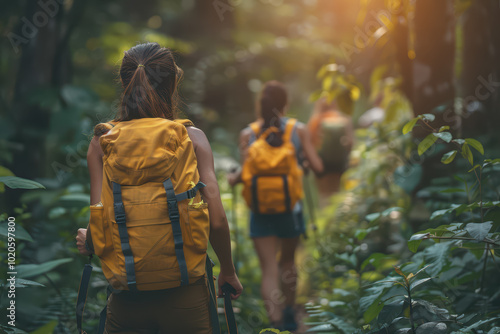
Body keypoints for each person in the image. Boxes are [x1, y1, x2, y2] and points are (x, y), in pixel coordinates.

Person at [75, 42, 242, 334]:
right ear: (173, 82)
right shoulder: (192, 137)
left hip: (127, 298)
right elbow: (216, 218)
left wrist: (87, 240)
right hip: (186, 297)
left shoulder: (102, 142)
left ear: (126, 81)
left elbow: (99, 220)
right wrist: (227, 271)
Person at [228, 81, 323, 331]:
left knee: (268, 268)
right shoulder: (298, 130)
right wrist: (301, 164)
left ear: (261, 105)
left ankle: (275, 323)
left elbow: (242, 174)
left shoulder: (247, 134)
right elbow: (318, 168)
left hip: (259, 209)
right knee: (288, 264)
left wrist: (231, 179)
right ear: (285, 104)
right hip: (291, 209)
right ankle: (291, 317)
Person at [307, 97, 353, 208]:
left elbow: (310, 144)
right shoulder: (344, 119)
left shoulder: (315, 120)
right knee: (337, 194)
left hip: (321, 165)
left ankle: (325, 220)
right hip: (339, 165)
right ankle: (337, 219)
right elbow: (351, 142)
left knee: (323, 196)